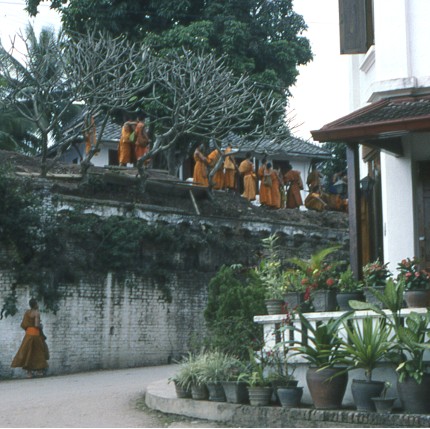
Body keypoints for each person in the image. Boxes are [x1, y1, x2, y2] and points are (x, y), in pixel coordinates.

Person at [11, 298, 49, 378]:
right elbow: (36, 325)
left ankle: (29, 373)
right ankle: (39, 372)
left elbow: (23, 325)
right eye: (37, 303)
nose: (38, 305)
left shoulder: (27, 313)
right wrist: (41, 326)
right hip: (36, 335)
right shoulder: (36, 313)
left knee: (28, 353)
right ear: (35, 305)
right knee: (38, 353)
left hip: (28, 335)